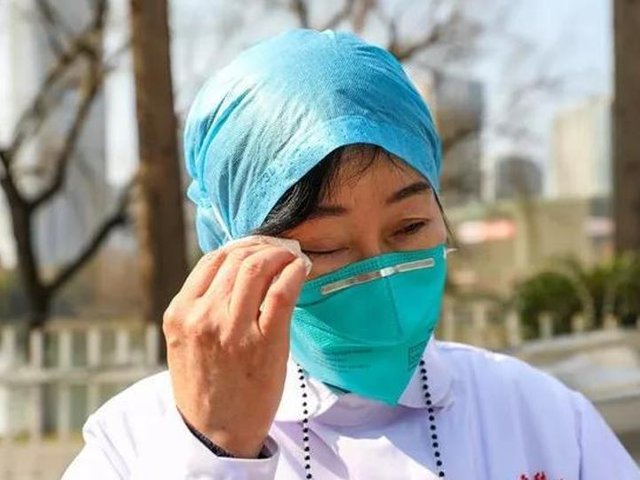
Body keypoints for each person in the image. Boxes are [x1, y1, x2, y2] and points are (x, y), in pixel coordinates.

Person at [63, 29, 639, 480]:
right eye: (325, 246)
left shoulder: (543, 419)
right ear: (233, 251)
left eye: (409, 226)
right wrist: (216, 450)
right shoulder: (134, 444)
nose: (382, 277)